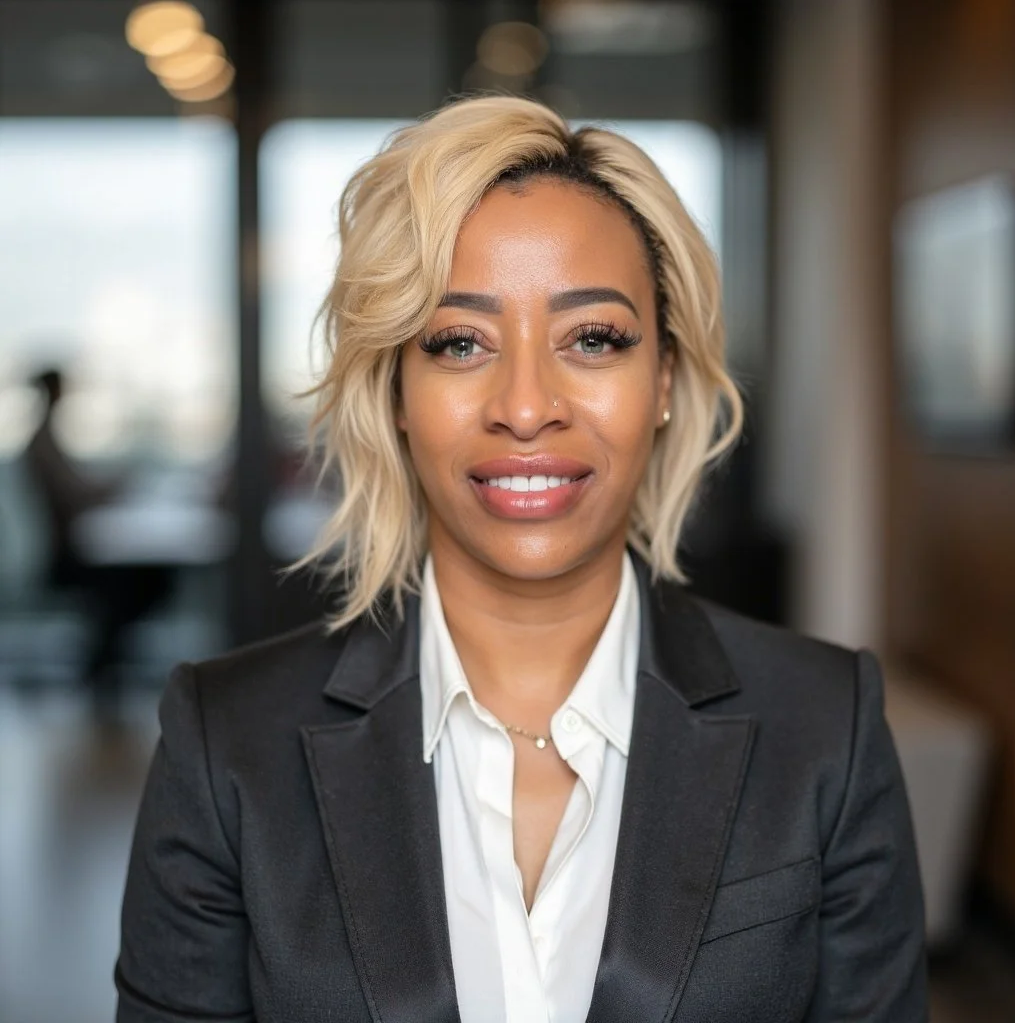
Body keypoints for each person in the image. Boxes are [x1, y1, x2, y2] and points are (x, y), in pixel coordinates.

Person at [115, 96, 928, 1022]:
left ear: (661, 379)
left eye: (593, 338)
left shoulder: (827, 726)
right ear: (395, 395)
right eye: (460, 343)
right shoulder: (226, 744)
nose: (528, 406)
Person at [26, 368, 172, 720]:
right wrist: (116, 486)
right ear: (52, 391)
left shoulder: (46, 438)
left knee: (151, 580)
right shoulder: (42, 442)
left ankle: (104, 662)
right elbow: (75, 495)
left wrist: (110, 486)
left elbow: (77, 488)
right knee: (149, 582)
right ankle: (101, 665)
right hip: (70, 558)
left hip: (76, 550)